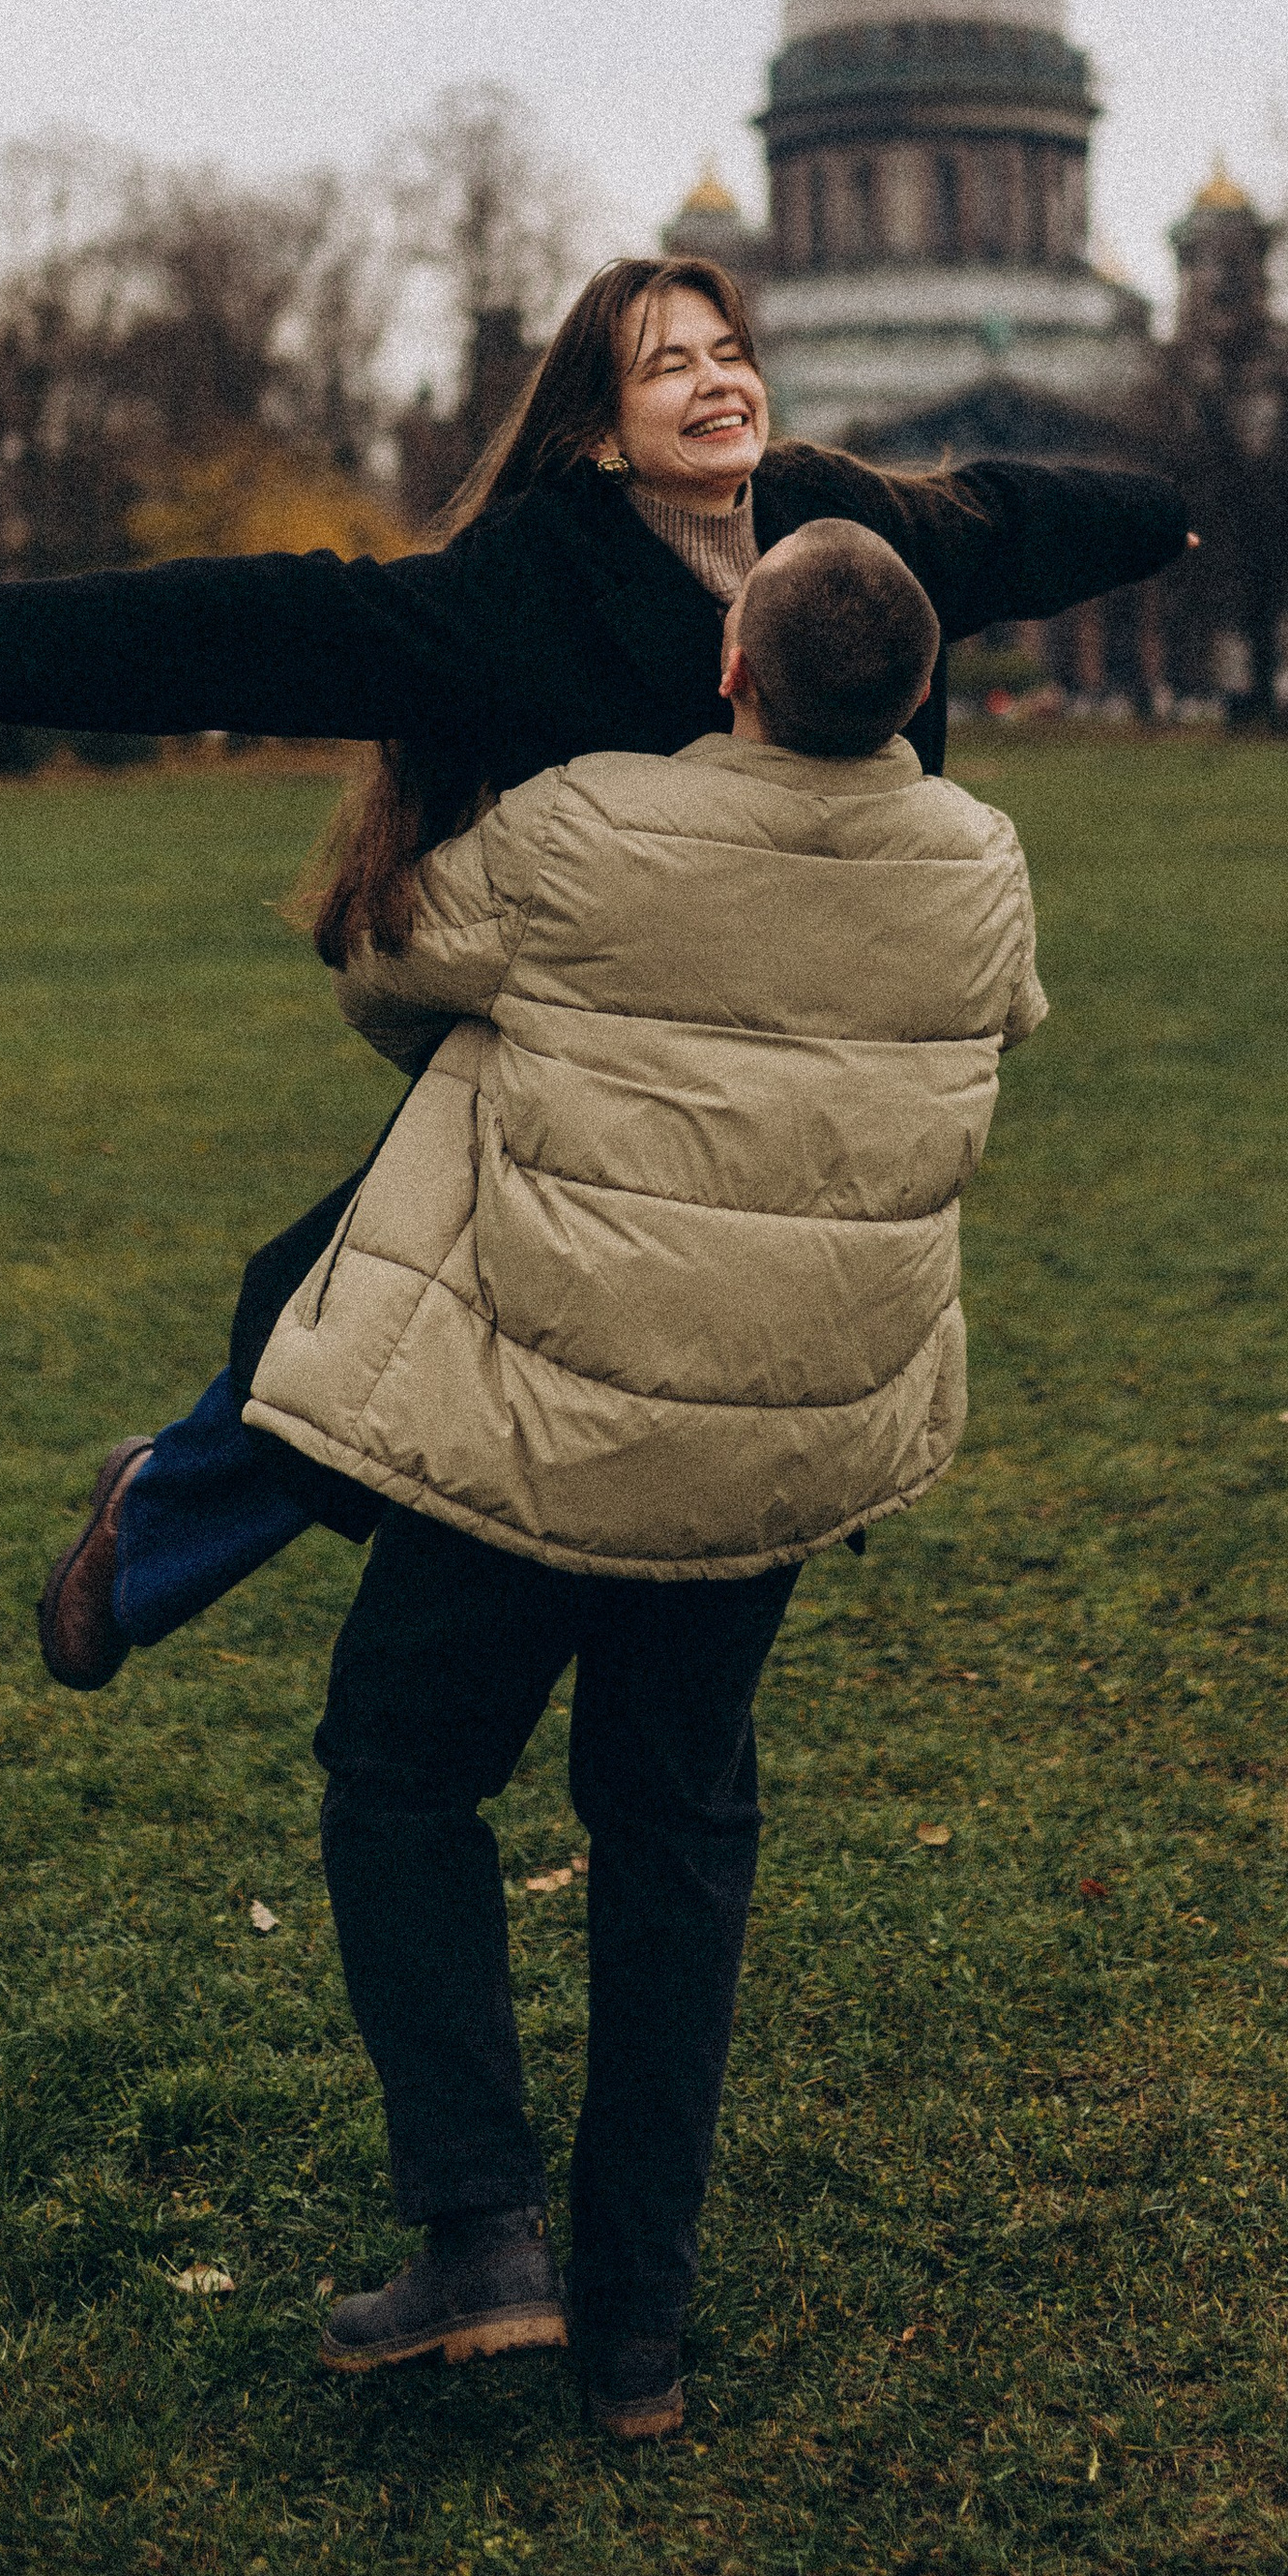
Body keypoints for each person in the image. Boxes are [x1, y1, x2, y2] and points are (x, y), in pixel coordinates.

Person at [0, 252, 1188, 1673]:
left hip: (793, 1030)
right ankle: (155, 1533)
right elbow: (284, 628)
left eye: (729, 351)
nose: (717, 381)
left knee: (572, 1325)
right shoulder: (536, 582)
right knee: (371, 1303)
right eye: (670, 364)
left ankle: (165, 1519)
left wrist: (1164, 514)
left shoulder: (842, 527)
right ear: (600, 426)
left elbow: (1009, 519)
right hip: (583, 1027)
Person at [253, 517, 1042, 2439]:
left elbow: (384, 961)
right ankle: (634, 2337)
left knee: (398, 1765)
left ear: (728, 672)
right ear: (922, 699)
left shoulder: (588, 824)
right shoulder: (979, 861)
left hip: (548, 1408)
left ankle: (477, 2231)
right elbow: (992, 1026)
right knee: (675, 1828)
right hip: (782, 1432)